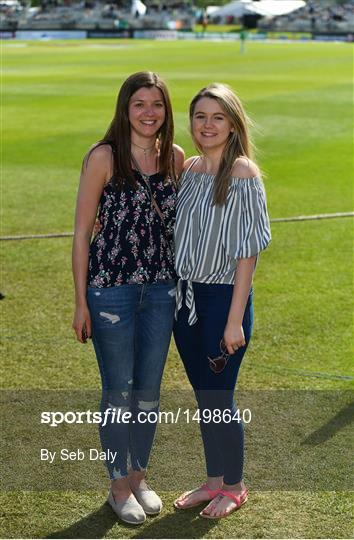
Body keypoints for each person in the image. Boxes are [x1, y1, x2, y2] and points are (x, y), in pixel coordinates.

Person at [72, 71, 184, 525]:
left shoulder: (175, 158)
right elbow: (81, 234)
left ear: (166, 110)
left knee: (149, 391)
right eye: (139, 103)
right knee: (118, 390)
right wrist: (80, 302)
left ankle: (139, 477)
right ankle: (119, 486)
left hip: (161, 290)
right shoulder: (103, 156)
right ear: (125, 108)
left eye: (156, 104)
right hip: (111, 292)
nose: (148, 112)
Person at [173, 83, 271, 519]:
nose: (207, 125)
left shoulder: (243, 173)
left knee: (219, 397)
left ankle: (234, 485)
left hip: (223, 301)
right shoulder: (190, 168)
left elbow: (247, 253)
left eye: (217, 117)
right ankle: (213, 480)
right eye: (199, 116)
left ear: (232, 124)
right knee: (205, 396)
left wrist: (234, 322)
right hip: (185, 299)